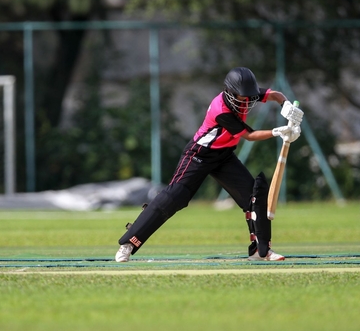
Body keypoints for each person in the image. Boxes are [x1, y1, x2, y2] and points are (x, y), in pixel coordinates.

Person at [115, 67, 303, 262]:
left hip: (224, 156)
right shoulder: (221, 109)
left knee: (253, 197)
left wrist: (286, 105)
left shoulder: (247, 94)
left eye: (250, 97)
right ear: (230, 93)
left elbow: (275, 94)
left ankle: (260, 251)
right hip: (199, 154)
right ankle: (128, 244)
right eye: (242, 97)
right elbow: (249, 135)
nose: (247, 102)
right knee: (174, 196)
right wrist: (278, 132)